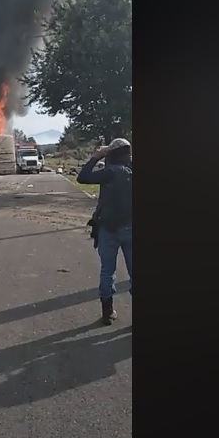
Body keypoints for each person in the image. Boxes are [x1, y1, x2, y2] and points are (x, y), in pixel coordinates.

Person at [76, 138, 133, 325]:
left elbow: (82, 177)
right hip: (130, 228)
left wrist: (96, 157)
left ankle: (107, 312)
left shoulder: (109, 172)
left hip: (108, 229)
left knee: (107, 272)